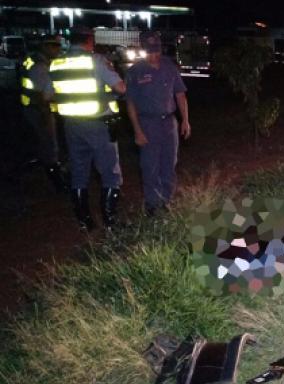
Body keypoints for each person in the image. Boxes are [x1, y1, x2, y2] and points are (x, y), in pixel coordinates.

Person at [49, 26, 126, 231]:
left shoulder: (56, 64)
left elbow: (48, 96)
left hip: (71, 125)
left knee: (79, 172)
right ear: (89, 40)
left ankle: (85, 221)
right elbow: (121, 88)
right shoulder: (97, 61)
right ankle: (111, 222)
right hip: (97, 123)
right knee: (110, 173)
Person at [126, 31, 191, 216]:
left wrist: (185, 120)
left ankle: (166, 201)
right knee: (149, 166)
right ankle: (152, 205)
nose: (154, 55)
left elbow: (180, 94)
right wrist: (137, 130)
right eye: (150, 51)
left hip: (169, 122)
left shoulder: (169, 67)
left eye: (157, 50)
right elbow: (130, 103)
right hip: (147, 123)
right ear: (143, 50)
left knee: (169, 164)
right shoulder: (135, 71)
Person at [19, 34, 68, 193]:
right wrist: (45, 114)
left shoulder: (33, 60)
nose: (58, 50)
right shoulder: (40, 67)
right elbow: (41, 95)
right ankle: (58, 184)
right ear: (45, 47)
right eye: (55, 46)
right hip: (39, 110)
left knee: (45, 144)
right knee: (49, 146)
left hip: (33, 109)